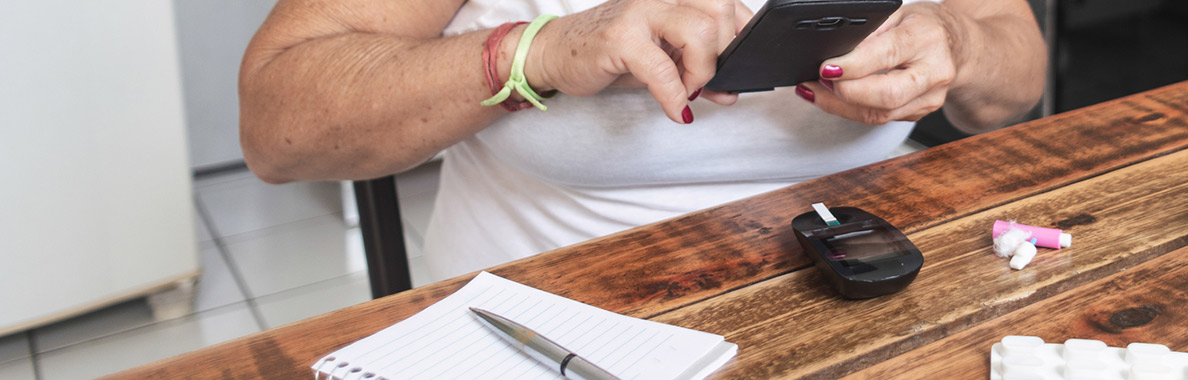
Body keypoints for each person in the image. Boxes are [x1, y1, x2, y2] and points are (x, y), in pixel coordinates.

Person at [238, 0, 1045, 280]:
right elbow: (278, 130)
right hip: (559, 327)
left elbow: (1017, 72)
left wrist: (962, 46)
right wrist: (541, 52)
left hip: (865, 287)